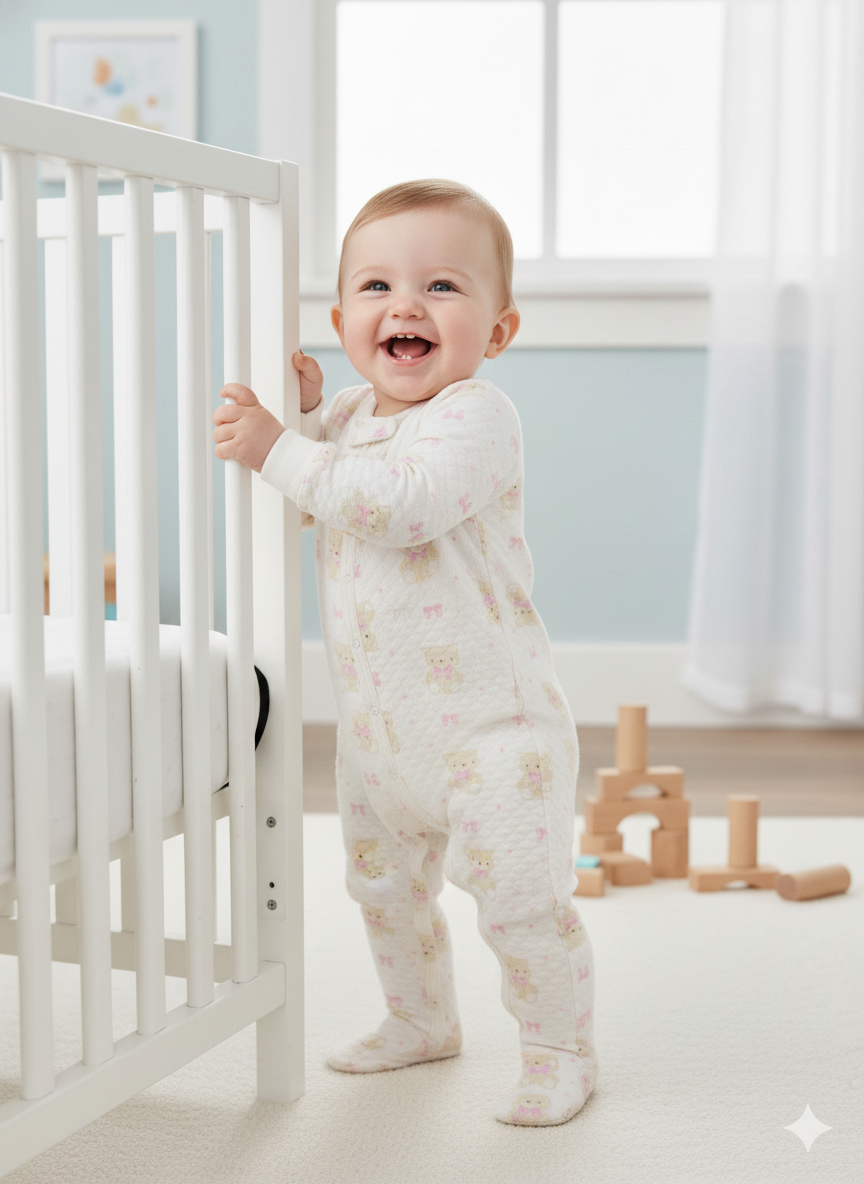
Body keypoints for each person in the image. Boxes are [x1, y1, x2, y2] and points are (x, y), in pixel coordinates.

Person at [212, 179, 598, 1126]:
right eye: (377, 287)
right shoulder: (347, 422)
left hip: (494, 734)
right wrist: (306, 418)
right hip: (381, 736)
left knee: (519, 902)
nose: (407, 306)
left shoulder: (477, 416)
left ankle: (559, 1048)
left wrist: (278, 446)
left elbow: (399, 504)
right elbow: (316, 493)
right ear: (343, 321)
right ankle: (421, 1019)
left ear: (497, 332)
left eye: (442, 286)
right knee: (383, 890)